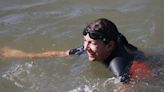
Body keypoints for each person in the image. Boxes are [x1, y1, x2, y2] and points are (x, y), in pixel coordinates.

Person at [0, 18, 151, 84]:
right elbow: (61, 53)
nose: (85, 48)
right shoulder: (99, 47)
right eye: (84, 41)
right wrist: (19, 55)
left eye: (90, 43)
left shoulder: (125, 67)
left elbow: (130, 86)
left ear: (109, 46)